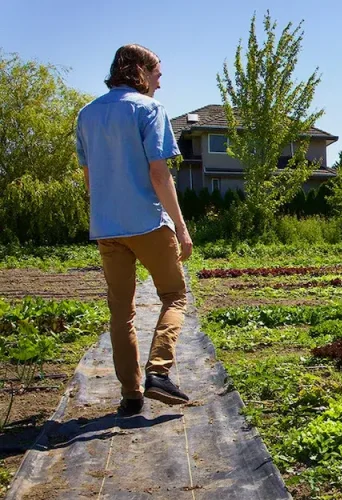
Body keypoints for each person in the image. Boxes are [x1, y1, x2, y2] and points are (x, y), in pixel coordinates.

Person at [76, 44, 193, 415]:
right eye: (157, 74)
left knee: (121, 312)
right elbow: (159, 174)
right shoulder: (149, 109)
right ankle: (158, 372)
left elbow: (90, 181)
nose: (160, 82)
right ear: (140, 71)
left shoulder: (87, 115)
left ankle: (131, 394)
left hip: (107, 228)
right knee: (174, 295)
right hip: (147, 222)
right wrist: (181, 226)